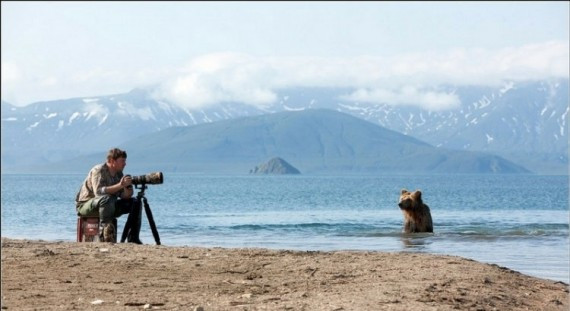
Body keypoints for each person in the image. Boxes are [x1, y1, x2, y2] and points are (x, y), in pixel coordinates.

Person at [75, 148, 141, 243]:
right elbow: (98, 192)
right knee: (107, 199)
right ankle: (105, 233)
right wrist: (120, 185)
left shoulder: (119, 174)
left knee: (135, 203)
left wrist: (128, 191)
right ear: (111, 161)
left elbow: (122, 195)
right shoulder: (99, 170)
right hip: (85, 205)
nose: (125, 164)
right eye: (122, 161)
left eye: (125, 161)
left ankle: (133, 237)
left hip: (108, 205)